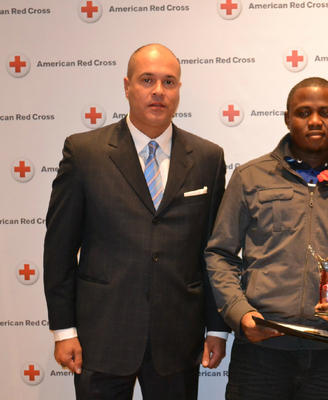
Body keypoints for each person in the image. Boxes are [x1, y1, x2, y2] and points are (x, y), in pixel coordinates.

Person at [43, 43, 229, 400]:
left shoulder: (208, 158)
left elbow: (214, 251)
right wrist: (64, 330)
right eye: (147, 80)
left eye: (169, 82)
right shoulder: (85, 153)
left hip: (178, 337)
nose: (158, 91)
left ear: (179, 89)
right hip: (101, 336)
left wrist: (217, 329)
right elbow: (59, 249)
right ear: (127, 86)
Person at [205, 77, 328, 400]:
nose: (315, 120)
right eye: (304, 112)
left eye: (325, 112)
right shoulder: (250, 178)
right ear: (287, 118)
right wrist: (239, 312)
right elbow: (220, 253)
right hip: (260, 351)